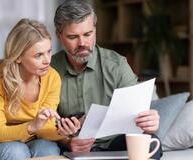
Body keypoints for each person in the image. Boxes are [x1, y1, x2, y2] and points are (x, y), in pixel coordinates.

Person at [51, 0, 162, 159]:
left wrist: (149, 122)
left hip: (113, 141)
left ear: (95, 29)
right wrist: (67, 141)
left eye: (87, 34)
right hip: (67, 145)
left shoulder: (116, 65)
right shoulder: (48, 69)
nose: (82, 43)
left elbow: (137, 113)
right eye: (73, 36)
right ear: (59, 36)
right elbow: (42, 124)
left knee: (150, 142)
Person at [0, 18, 75, 160]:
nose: (47, 60)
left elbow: (44, 130)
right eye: (38, 55)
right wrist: (32, 126)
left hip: (29, 143)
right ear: (18, 57)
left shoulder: (52, 77)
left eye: (49, 51)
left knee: (47, 148)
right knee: (16, 150)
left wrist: (64, 132)